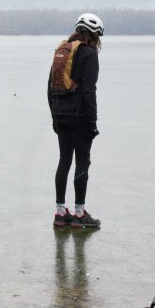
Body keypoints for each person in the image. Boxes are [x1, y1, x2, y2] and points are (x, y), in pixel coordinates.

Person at [48, 13, 104, 229]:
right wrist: (93, 122)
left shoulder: (62, 51)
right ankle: (79, 213)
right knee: (82, 162)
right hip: (80, 118)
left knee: (64, 161)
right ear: (95, 35)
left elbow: (50, 87)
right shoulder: (89, 54)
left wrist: (54, 116)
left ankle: (60, 213)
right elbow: (90, 91)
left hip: (61, 116)